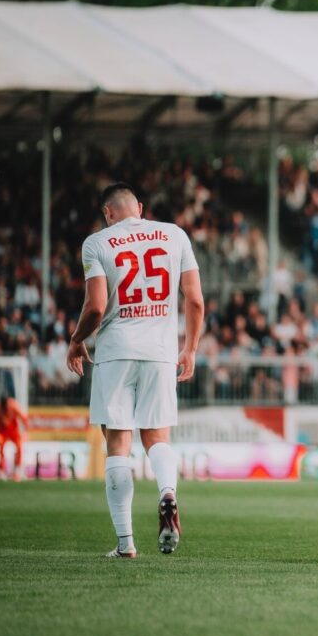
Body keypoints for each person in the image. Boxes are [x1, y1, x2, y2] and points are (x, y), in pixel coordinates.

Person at [67, 182, 204, 559]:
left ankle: (126, 543)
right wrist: (189, 348)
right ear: (140, 207)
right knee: (157, 438)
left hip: (115, 353)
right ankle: (167, 493)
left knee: (117, 445)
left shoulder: (97, 243)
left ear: (108, 214)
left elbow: (96, 306)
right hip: (160, 353)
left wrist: (77, 340)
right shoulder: (175, 235)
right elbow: (194, 299)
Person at [0, 396, 28, 481]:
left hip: (13, 431)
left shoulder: (13, 406)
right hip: (2, 432)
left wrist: (25, 432)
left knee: (19, 447)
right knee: (1, 448)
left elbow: (23, 418)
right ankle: (1, 471)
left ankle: (17, 471)